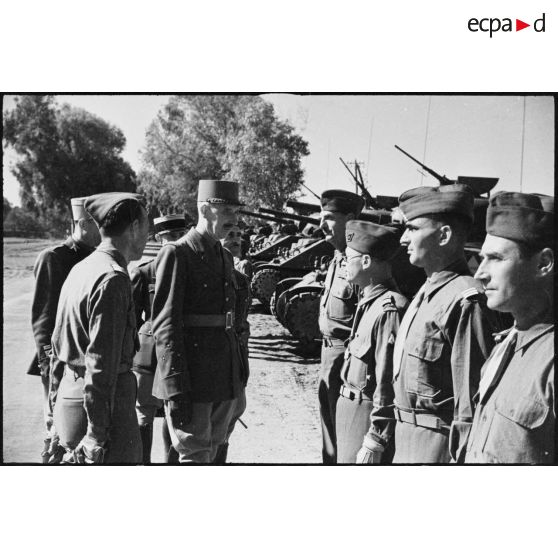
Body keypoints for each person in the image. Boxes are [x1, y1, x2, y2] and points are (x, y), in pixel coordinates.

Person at [392, 184, 496, 463]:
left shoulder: (466, 299)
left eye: (413, 229)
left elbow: (470, 404)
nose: (403, 239)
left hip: (437, 447)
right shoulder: (427, 291)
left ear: (444, 235)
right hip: (405, 437)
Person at [151, 179, 246, 464]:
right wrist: (175, 385)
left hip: (223, 376)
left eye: (235, 211)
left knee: (215, 450)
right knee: (194, 454)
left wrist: (239, 372)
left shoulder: (224, 256)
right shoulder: (177, 253)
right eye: (226, 210)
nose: (233, 218)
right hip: (192, 378)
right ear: (205, 209)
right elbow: (165, 325)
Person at [50, 192, 149, 464]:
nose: (148, 237)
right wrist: (97, 434)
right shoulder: (113, 278)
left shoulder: (82, 268)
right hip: (106, 416)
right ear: (134, 228)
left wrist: (53, 411)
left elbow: (57, 346)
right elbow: (101, 366)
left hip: (71, 400)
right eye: (147, 228)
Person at [463, 192, 554, 463]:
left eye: (496, 258)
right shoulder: (506, 344)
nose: (480, 272)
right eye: (482, 258)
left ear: (543, 264)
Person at [29, 196, 101, 463]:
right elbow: (42, 322)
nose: (104, 229)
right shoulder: (54, 258)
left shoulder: (98, 258)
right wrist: (49, 366)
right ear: (82, 222)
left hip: (89, 362)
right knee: (58, 433)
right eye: (98, 223)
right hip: (59, 363)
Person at [335, 220, 408, 463]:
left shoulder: (389, 309)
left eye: (349, 258)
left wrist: (375, 438)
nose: (343, 264)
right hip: (350, 408)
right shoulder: (369, 300)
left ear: (366, 262)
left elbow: (387, 381)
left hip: (366, 415)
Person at [131, 214, 186, 464]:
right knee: (144, 412)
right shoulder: (144, 272)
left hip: (179, 349)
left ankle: (170, 464)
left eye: (179, 235)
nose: (175, 241)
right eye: (169, 238)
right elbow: (130, 318)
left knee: (172, 413)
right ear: (158, 239)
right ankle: (143, 463)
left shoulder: (189, 270)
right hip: (149, 351)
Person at [317, 189, 364, 463]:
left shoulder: (360, 264)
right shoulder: (337, 257)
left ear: (350, 219)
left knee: (345, 441)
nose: (322, 225)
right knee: (329, 439)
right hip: (327, 357)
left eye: (329, 218)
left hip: (345, 362)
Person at [212, 224, 252, 463]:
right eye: (230, 236)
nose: (236, 240)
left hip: (237, 358)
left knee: (231, 417)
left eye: (239, 236)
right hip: (217, 360)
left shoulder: (242, 278)